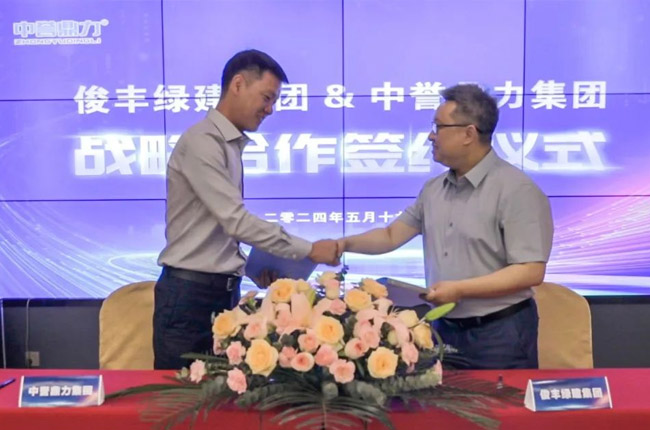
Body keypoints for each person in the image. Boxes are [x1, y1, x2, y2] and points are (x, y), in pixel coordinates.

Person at [338, 84, 553, 369]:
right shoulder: (434, 189)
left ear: (468, 134)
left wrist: (460, 289)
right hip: (443, 329)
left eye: (438, 127)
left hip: (500, 333)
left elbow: (530, 270)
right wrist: (341, 245)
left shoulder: (517, 190)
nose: (431, 136)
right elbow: (391, 236)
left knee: (502, 401)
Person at [154, 49, 340, 370]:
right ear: (238, 84)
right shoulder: (202, 142)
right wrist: (310, 250)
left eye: (274, 101)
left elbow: (219, 231)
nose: (270, 110)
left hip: (220, 294)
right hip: (189, 299)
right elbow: (236, 221)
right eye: (266, 98)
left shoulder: (228, 144)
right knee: (182, 397)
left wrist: (257, 269)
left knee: (221, 398)